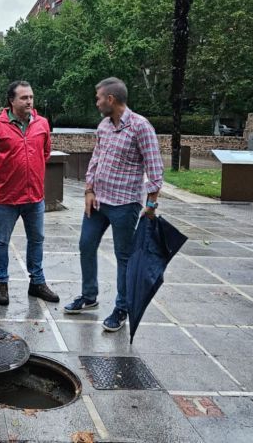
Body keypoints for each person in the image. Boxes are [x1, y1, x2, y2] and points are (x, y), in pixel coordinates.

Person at [63, 77, 164, 332]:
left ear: (111, 99)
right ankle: (89, 296)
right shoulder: (104, 126)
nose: (96, 103)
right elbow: (96, 158)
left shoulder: (140, 126)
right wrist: (88, 190)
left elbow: (155, 167)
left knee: (124, 258)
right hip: (98, 201)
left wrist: (151, 204)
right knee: (86, 245)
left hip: (125, 203)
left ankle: (122, 308)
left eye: (98, 98)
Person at [0, 81, 59, 306]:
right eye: (24, 98)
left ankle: (37, 282)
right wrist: (0, 173)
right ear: (12, 101)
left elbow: (46, 152)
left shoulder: (42, 123)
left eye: (31, 97)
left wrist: (32, 171)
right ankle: (2, 284)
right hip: (8, 196)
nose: (29, 101)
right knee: (1, 241)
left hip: (35, 195)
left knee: (37, 239)